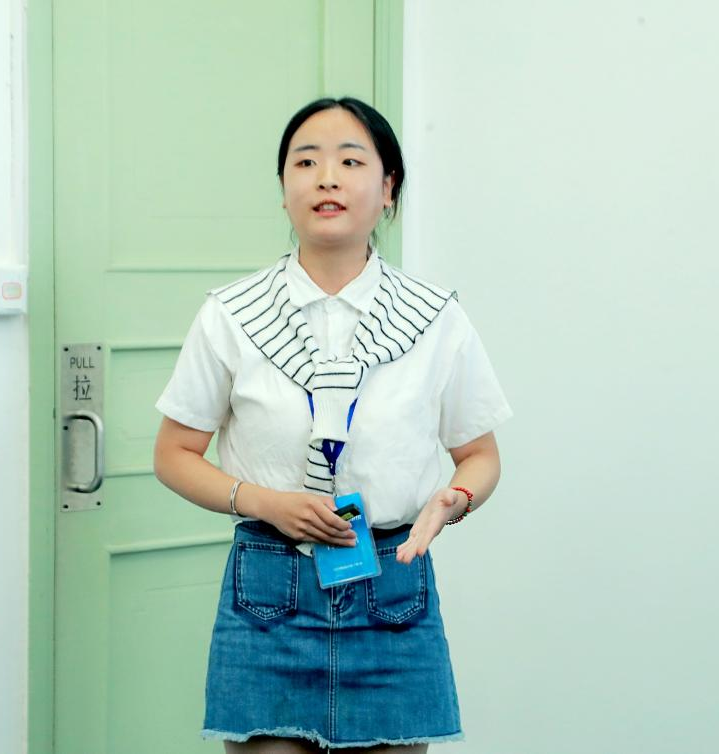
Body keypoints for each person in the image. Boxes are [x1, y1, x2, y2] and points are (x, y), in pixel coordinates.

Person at [153, 97, 513, 753]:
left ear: (388, 188)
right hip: (269, 591)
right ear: (283, 189)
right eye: (305, 162)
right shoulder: (233, 315)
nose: (327, 178)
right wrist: (266, 502)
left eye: (351, 162)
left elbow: (480, 456)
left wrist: (454, 499)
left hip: (394, 587)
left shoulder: (434, 318)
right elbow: (173, 453)